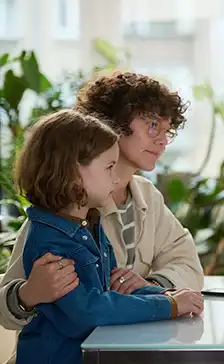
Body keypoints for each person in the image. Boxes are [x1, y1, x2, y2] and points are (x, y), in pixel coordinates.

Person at [0, 72, 204, 350]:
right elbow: (10, 309)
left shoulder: (146, 195)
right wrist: (27, 294)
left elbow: (188, 264)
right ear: (112, 124)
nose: (163, 141)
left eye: (166, 131)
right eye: (153, 125)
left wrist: (148, 286)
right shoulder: (60, 216)